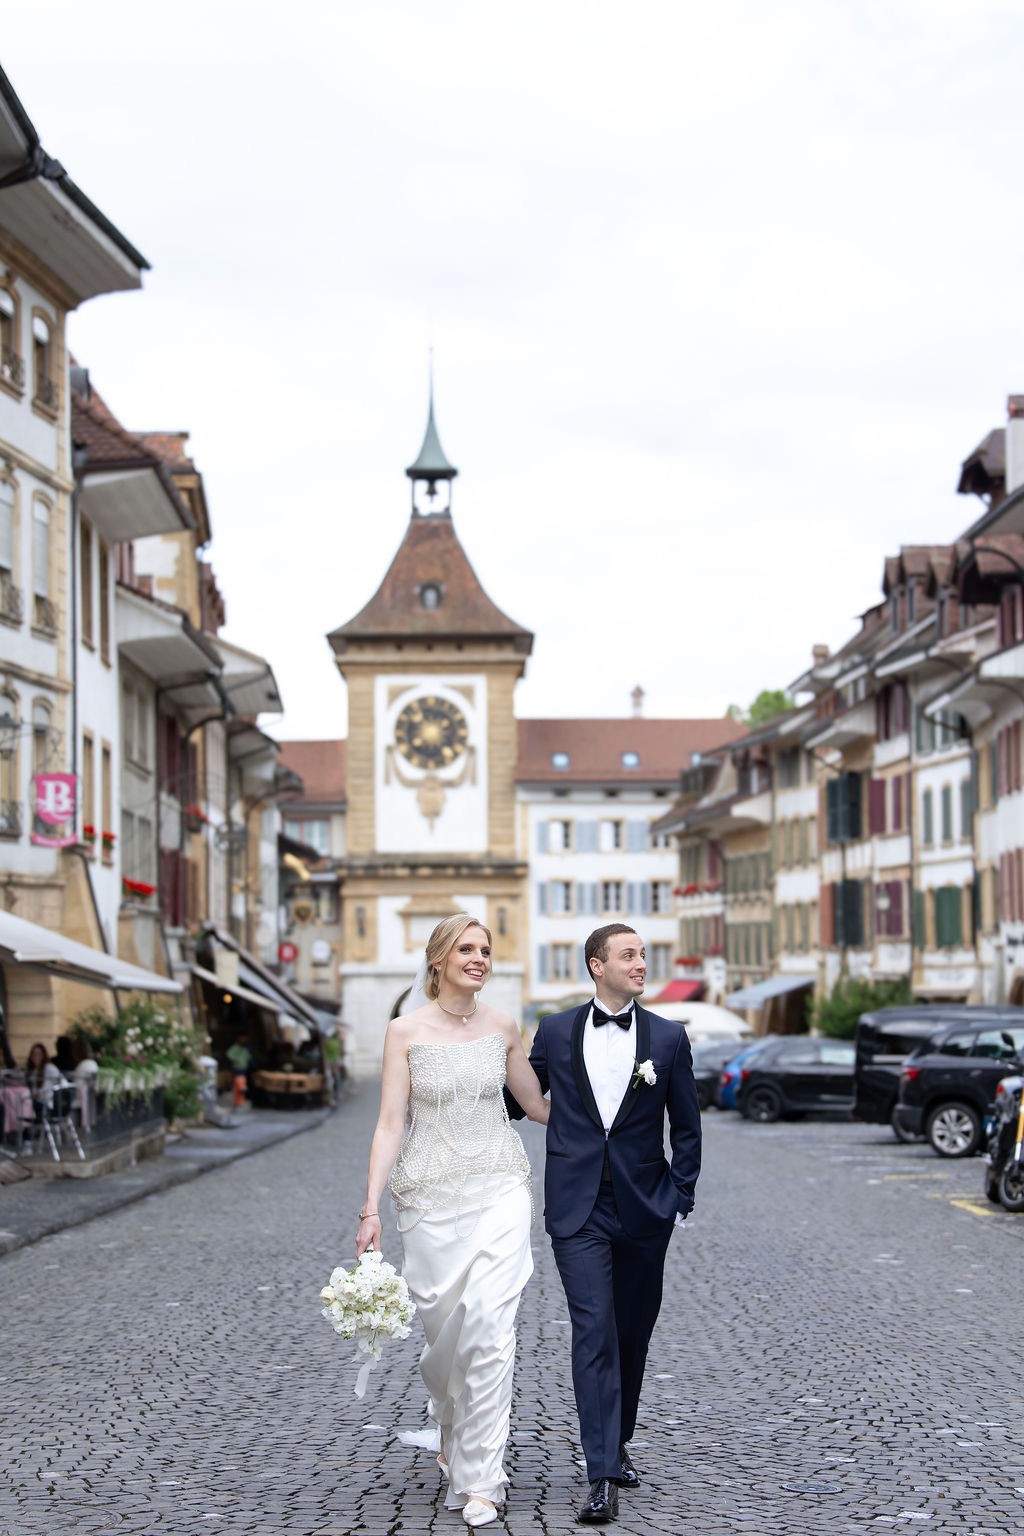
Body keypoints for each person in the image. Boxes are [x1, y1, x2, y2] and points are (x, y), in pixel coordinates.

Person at [356, 915, 549, 1529]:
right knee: (445, 1337)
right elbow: (391, 1124)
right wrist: (369, 1207)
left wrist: (621, 1101)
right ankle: (448, 1416)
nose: (479, 958)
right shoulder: (404, 1031)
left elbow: (537, 1106)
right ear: (438, 959)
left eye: (485, 950)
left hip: (501, 1186)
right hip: (427, 1200)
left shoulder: (504, 1026)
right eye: (466, 949)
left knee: (490, 1326)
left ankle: (482, 1478)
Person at [507, 922, 701, 1526]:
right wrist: (470, 1067)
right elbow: (518, 1100)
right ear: (598, 965)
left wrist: (679, 1196)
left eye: (643, 955)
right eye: (629, 955)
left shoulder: (669, 1037)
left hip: (645, 1207)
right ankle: (601, 1475)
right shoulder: (556, 1030)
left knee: (632, 1334)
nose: (641, 963)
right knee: (593, 1330)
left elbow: (687, 1125)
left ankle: (617, 1441)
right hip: (578, 1208)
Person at [24, 1042, 69, 1118]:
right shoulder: (32, 1071)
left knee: (25, 1104)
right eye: (34, 1054)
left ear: (44, 1056)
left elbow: (63, 1083)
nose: (36, 1057)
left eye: (39, 1054)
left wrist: (50, 1093)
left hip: (47, 1102)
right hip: (37, 1100)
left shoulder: (49, 1068)